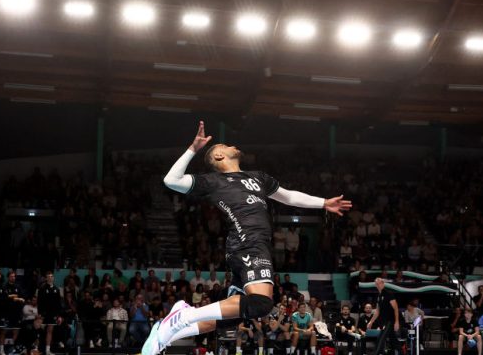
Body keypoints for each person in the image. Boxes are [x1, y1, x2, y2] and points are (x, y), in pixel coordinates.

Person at [145, 121, 351, 355]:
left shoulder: (259, 177)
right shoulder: (214, 182)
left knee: (232, 317)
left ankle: (167, 332)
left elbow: (289, 197)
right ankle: (185, 316)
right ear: (220, 156)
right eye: (225, 144)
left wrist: (323, 203)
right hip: (247, 243)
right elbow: (171, 181)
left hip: (251, 246)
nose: (232, 144)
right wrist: (193, 148)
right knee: (261, 304)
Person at [366, 278, 400, 355]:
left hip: (390, 321)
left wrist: (397, 322)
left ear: (383, 283)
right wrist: (371, 322)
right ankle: (401, 352)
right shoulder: (379, 296)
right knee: (394, 340)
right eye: (377, 284)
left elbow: (396, 308)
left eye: (380, 283)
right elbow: (377, 311)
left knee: (381, 338)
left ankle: (375, 353)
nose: (378, 285)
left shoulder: (389, 294)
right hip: (384, 321)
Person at [36, 272, 62, 355]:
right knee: (38, 330)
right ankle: (36, 349)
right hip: (43, 314)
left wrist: (59, 315)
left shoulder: (56, 289)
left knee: (50, 331)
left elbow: (58, 303)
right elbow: (39, 302)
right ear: (46, 278)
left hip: (53, 314)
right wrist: (40, 313)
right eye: (48, 276)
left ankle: (47, 350)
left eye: (51, 276)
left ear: (53, 278)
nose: (50, 278)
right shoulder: (42, 288)